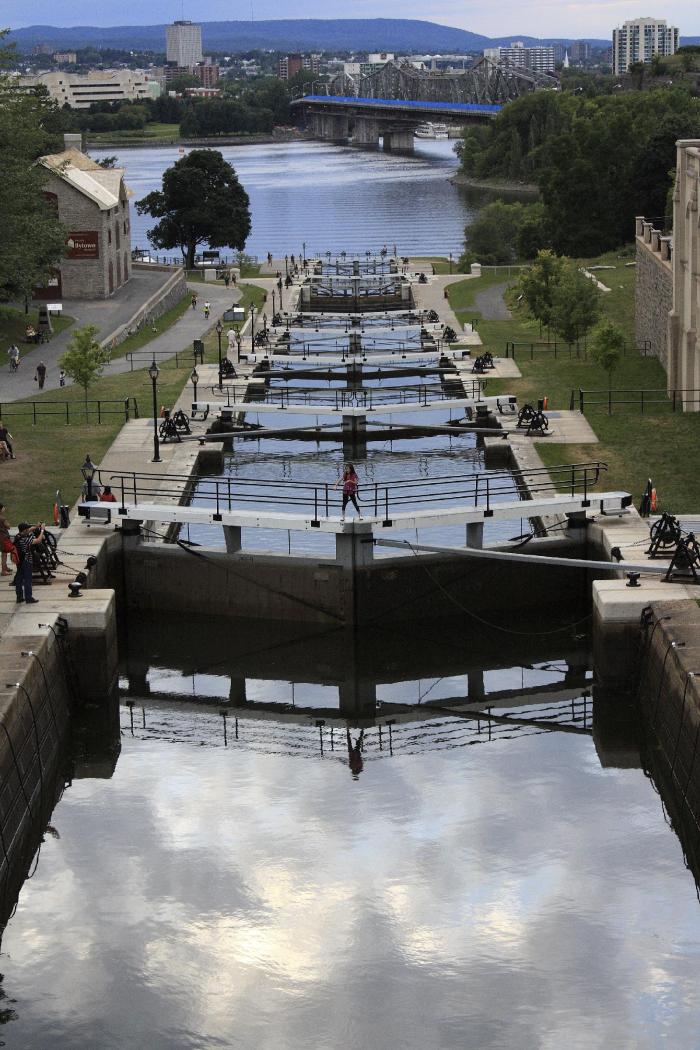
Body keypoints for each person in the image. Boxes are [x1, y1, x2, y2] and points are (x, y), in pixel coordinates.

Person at [14, 521, 45, 603]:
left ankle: (19, 597)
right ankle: (28, 598)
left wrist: (36, 526)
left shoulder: (17, 536)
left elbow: (30, 529)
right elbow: (38, 540)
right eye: (27, 529)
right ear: (24, 530)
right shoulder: (26, 539)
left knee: (19, 579)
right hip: (27, 561)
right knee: (28, 580)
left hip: (19, 561)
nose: (29, 530)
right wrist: (42, 530)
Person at [0, 504, 12, 575]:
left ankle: (5, 567)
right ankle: (3, 571)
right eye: (3, 507)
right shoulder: (2, 518)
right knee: (4, 553)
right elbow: (8, 526)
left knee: (4, 552)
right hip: (3, 537)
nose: (4, 509)